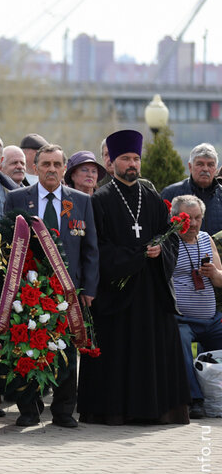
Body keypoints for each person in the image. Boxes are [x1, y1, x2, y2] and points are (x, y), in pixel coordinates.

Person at [79, 129, 189, 425]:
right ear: (112, 162)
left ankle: (157, 411)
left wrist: (160, 249)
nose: (132, 164)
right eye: (126, 158)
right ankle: (113, 412)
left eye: (136, 158)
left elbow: (172, 239)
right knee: (117, 353)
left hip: (151, 293)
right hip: (117, 293)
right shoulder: (99, 200)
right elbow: (95, 247)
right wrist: (134, 257)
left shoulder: (152, 197)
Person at [5, 144, 99, 428]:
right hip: (29, 289)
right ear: (35, 168)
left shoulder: (81, 201)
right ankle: (29, 410)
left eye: (57, 165)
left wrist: (90, 289)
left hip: (69, 289)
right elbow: (8, 245)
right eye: (45, 164)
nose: (51, 170)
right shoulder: (17, 198)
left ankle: (63, 411)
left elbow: (91, 249)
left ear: (64, 169)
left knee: (67, 351)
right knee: (28, 348)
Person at [170, 195, 222, 419]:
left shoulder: (206, 239)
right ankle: (195, 399)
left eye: (197, 218)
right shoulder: (168, 242)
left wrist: (215, 274)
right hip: (182, 319)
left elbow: (220, 280)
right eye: (187, 218)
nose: (192, 223)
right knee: (179, 342)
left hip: (210, 318)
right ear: (175, 218)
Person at [162, 144, 222, 236]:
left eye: (210, 164)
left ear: (216, 169)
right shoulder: (171, 193)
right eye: (200, 164)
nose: (205, 169)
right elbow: (160, 230)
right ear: (190, 167)